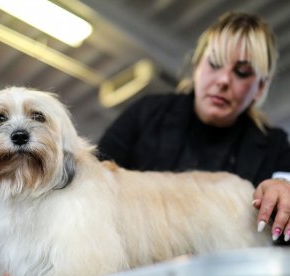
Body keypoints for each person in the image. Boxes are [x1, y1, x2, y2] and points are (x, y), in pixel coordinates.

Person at [98, 12, 290, 244]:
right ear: (197, 66)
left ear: (260, 87)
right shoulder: (146, 114)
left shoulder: (275, 147)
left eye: (242, 72)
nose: (223, 80)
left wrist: (283, 188)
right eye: (215, 64)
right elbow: (97, 180)